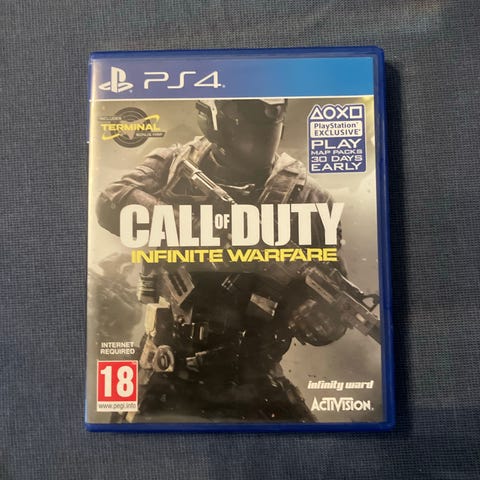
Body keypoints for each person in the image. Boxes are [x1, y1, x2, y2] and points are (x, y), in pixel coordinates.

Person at [96, 99, 346, 422]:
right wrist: (193, 228)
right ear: (218, 120)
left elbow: (334, 308)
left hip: (252, 377)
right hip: (165, 367)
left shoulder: (310, 198)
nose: (259, 140)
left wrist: (315, 316)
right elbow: (110, 201)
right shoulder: (173, 163)